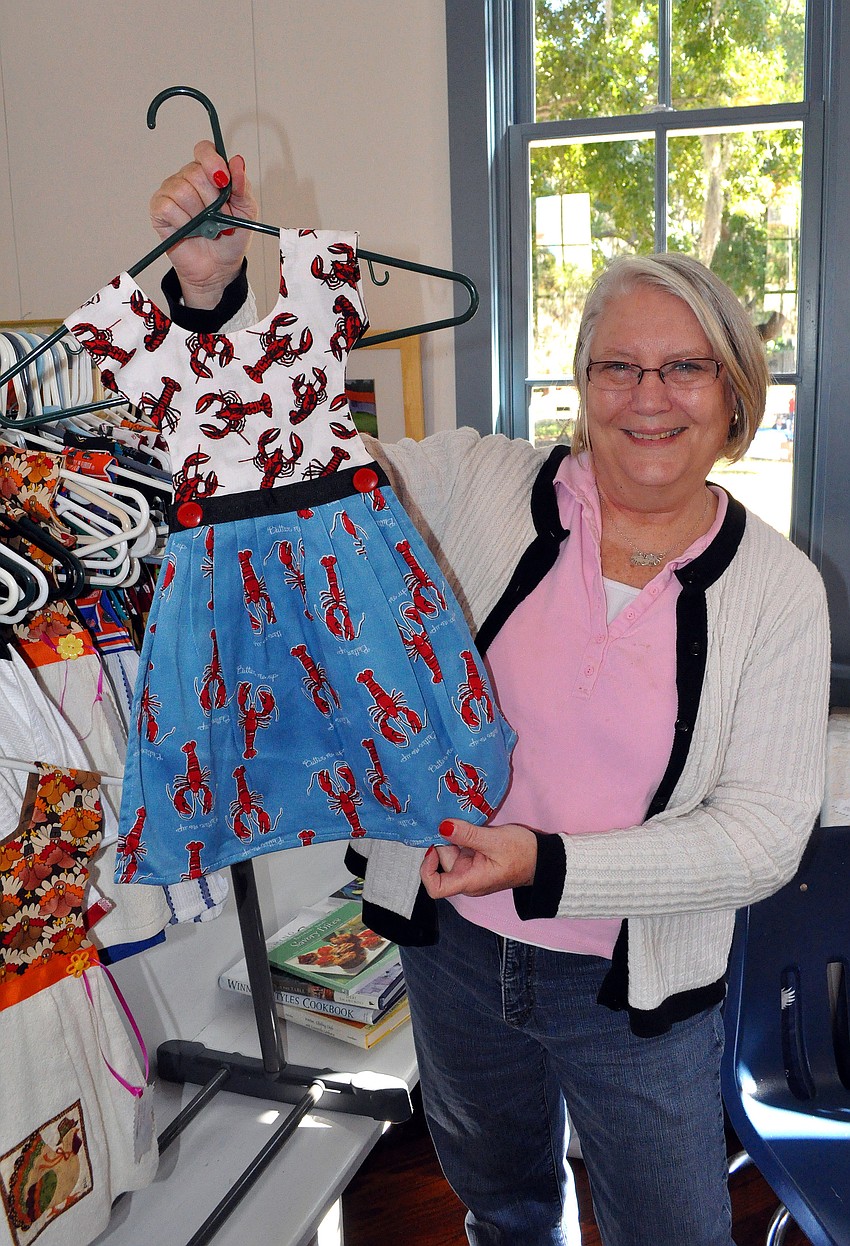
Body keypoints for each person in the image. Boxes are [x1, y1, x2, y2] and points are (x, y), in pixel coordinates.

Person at [149, 144, 831, 1246]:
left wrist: (545, 863)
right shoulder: (477, 486)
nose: (647, 397)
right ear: (579, 385)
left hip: (631, 990)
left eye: (685, 369)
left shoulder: (776, 591)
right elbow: (279, 471)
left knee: (676, 1230)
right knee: (504, 1206)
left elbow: (757, 839)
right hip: (452, 948)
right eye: (617, 367)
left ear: (735, 394)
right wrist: (212, 292)